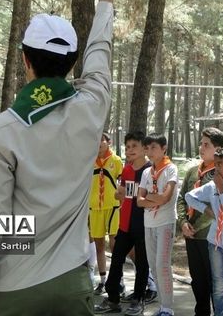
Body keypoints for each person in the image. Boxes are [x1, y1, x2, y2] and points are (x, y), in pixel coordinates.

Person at [0, 0, 117, 316]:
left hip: (14, 286)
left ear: (24, 60)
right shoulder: (90, 108)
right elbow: (100, 56)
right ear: (70, 64)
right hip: (71, 284)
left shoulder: (2, 132)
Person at [94, 131, 151, 315]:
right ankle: (112, 299)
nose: (130, 150)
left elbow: (150, 197)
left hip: (143, 224)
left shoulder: (150, 171)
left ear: (144, 148)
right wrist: (121, 193)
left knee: (142, 263)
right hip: (124, 223)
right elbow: (120, 193)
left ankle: (138, 300)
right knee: (117, 259)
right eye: (127, 147)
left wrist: (133, 194)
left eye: (134, 146)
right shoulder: (126, 169)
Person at [185, 147, 223, 316]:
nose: (216, 168)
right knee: (218, 285)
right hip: (215, 241)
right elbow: (189, 197)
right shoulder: (213, 185)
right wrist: (206, 210)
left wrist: (221, 191)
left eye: (220, 164)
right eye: (215, 163)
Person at [177, 127, 223, 315]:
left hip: (210, 236)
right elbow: (182, 198)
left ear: (218, 149)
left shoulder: (221, 174)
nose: (201, 148)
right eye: (201, 143)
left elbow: (217, 207)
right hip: (191, 235)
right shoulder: (192, 172)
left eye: (206, 145)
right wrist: (182, 222)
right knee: (197, 280)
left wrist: (195, 226)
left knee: (214, 280)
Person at [137, 133, 180, 316]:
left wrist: (151, 198)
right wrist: (154, 199)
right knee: (153, 265)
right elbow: (139, 200)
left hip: (166, 222)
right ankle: (163, 306)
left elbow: (165, 197)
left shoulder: (171, 169)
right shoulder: (147, 172)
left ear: (164, 148)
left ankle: (168, 308)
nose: (149, 152)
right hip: (149, 223)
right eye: (147, 148)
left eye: (153, 147)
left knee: (162, 264)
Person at [89, 131, 124, 294]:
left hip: (113, 206)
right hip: (94, 208)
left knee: (115, 244)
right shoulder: (89, 161)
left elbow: (123, 184)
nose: (98, 144)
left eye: (101, 140)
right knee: (99, 245)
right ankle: (102, 281)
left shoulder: (116, 161)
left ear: (108, 142)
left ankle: (119, 280)